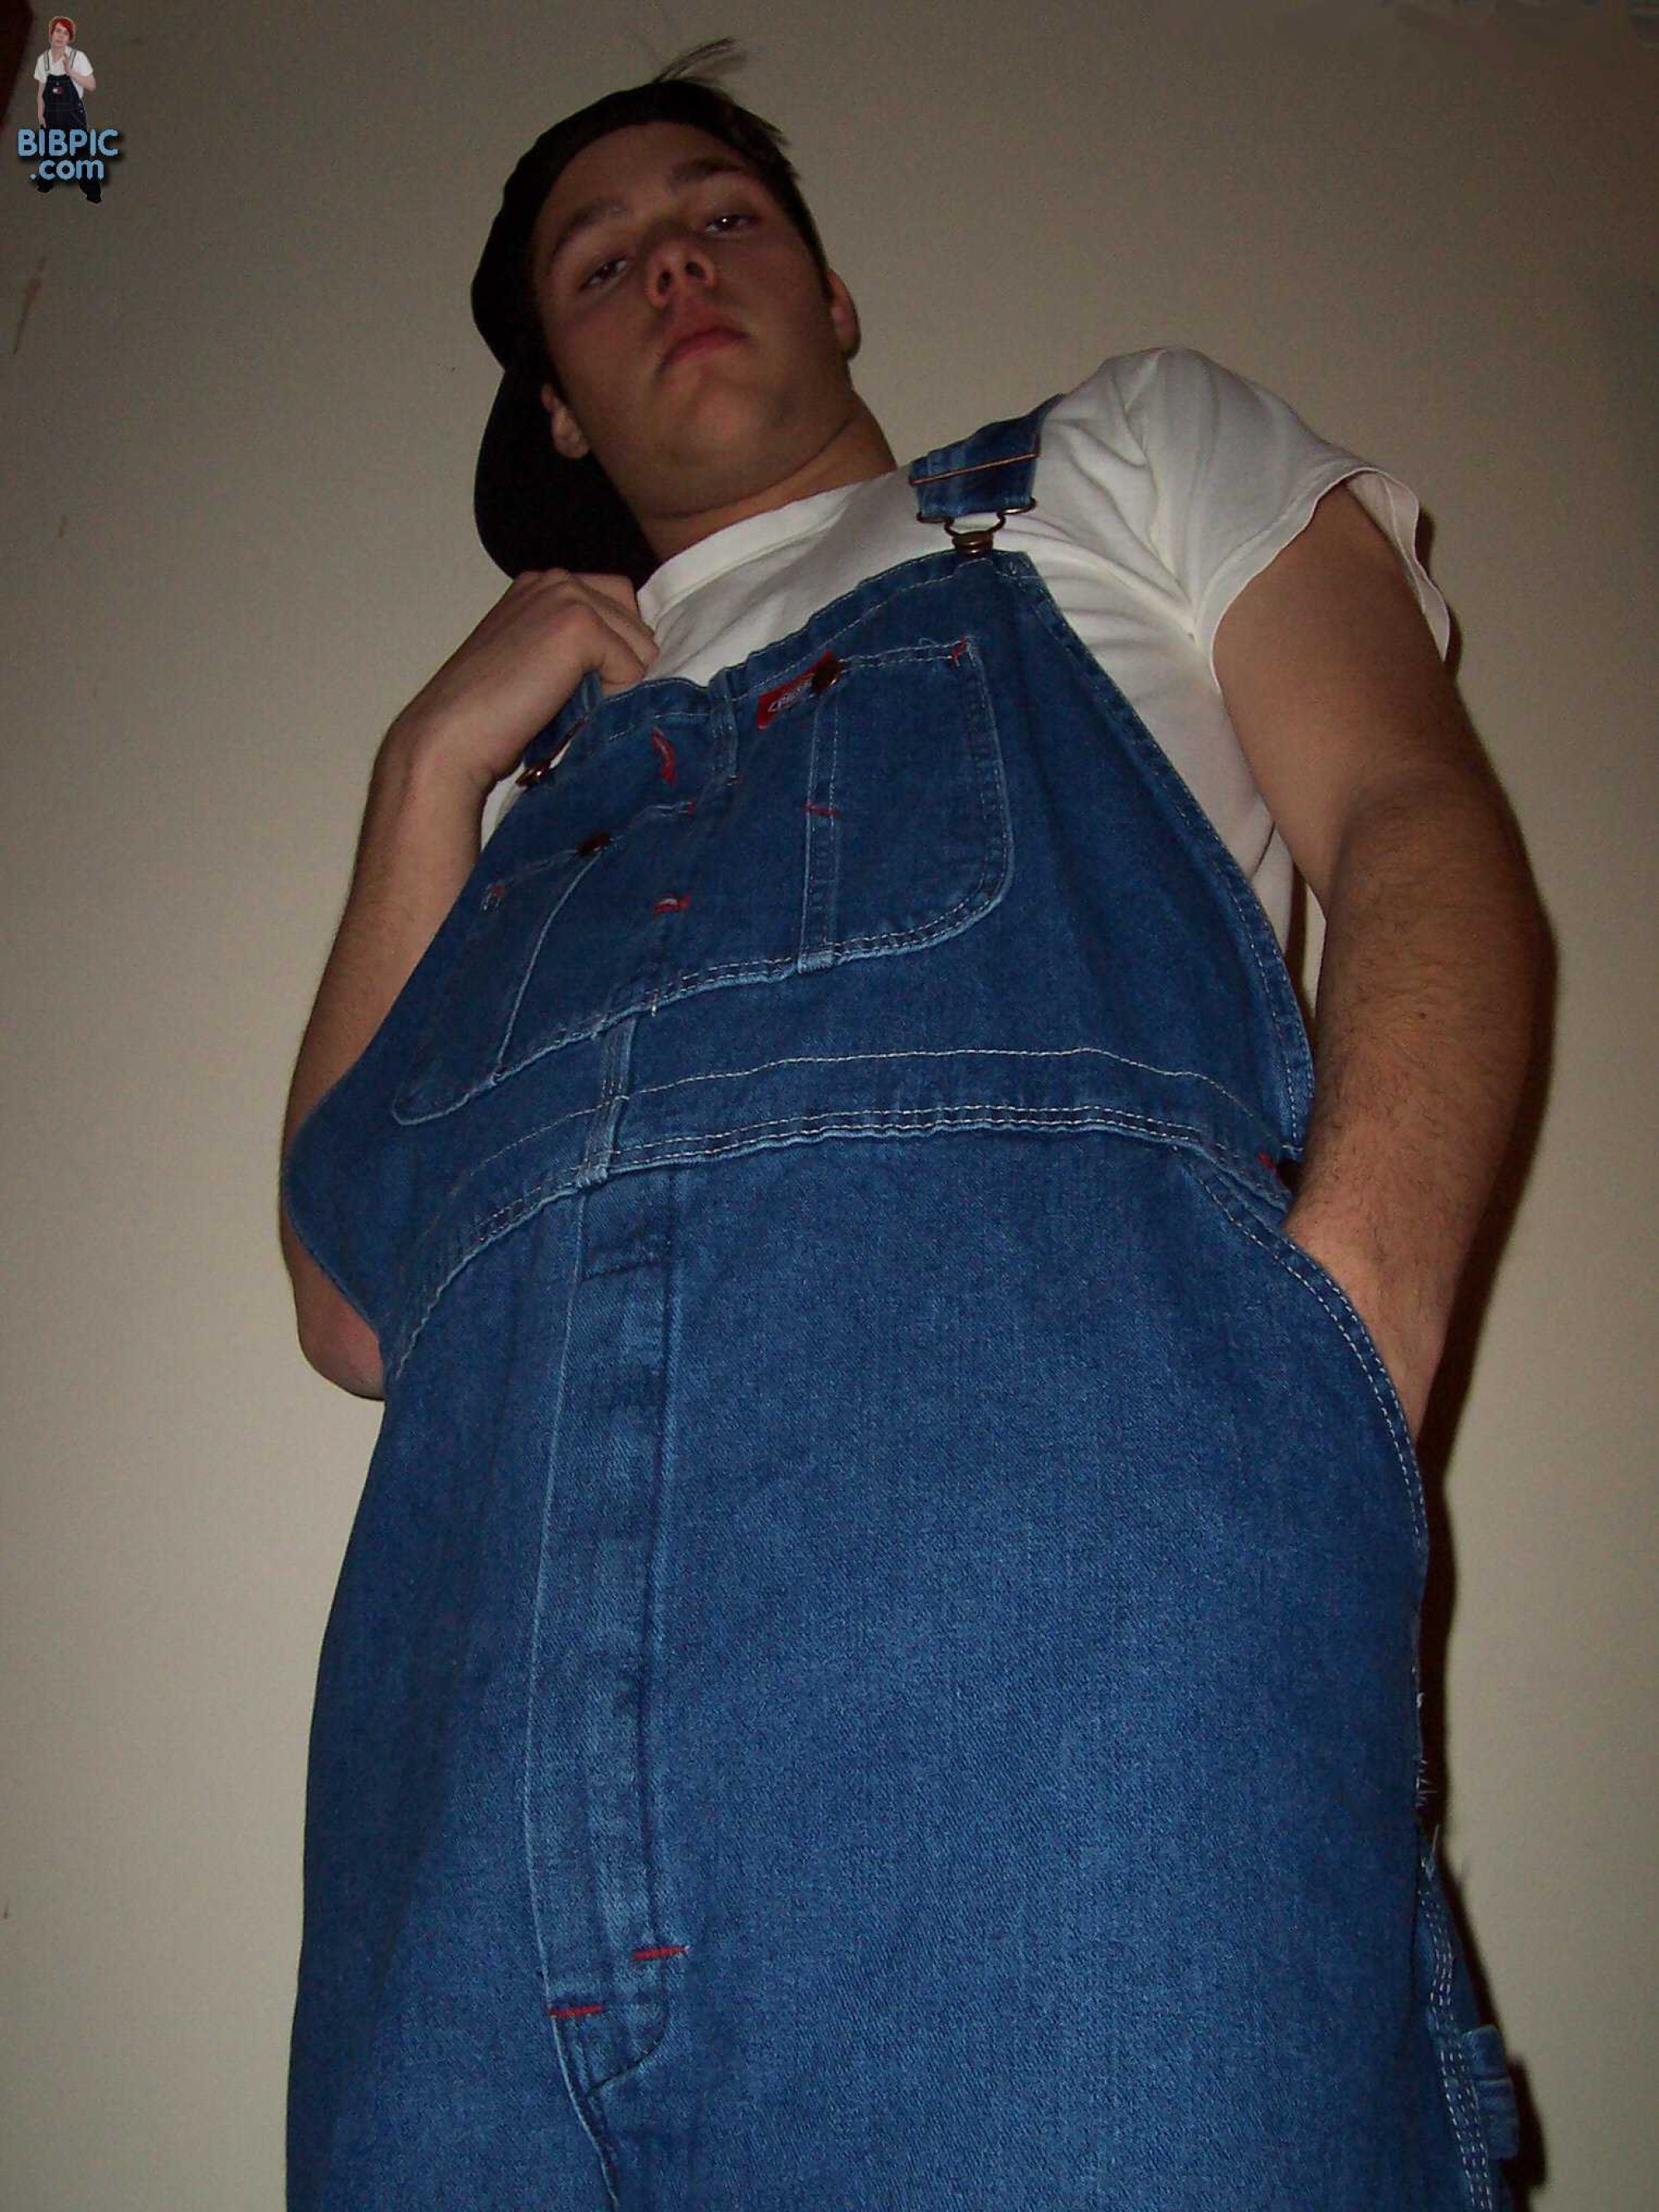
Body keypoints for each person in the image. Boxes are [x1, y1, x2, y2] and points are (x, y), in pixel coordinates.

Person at [279, 40, 1542, 2211]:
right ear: (556, 408)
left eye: (723, 214)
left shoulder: (1114, 464)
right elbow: (347, 1293)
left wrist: (1335, 1369)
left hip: (1061, 1707)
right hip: (464, 1832)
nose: (675, 262)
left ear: (835, 291)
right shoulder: (536, 795)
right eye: (600, 259)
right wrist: (428, 769)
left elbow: (1412, 819)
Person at [32, 17, 100, 202]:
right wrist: (40, 112)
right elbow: (41, 89)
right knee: (49, 151)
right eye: (58, 31)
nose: (61, 36)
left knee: (79, 155)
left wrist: (71, 72)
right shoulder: (44, 60)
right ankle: (45, 185)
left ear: (70, 38)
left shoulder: (78, 58)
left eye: (65, 33)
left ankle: (92, 192)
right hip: (50, 112)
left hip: (72, 114)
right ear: (51, 34)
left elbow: (91, 84)